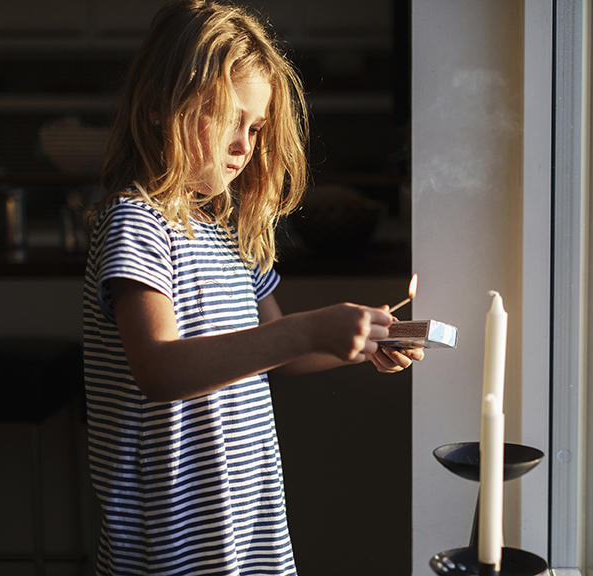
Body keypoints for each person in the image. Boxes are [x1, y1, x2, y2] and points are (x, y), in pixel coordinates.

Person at [82, 1, 422, 574]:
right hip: (170, 542)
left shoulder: (227, 231)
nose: (245, 145)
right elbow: (159, 369)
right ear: (163, 105)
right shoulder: (136, 223)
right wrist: (309, 329)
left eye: (256, 127)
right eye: (229, 118)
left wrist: (365, 339)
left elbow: (275, 347)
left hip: (245, 527)